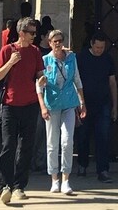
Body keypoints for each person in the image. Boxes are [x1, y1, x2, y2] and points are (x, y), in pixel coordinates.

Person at [0, 17, 45, 205]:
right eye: (31, 33)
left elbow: (39, 73)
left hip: (30, 105)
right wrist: (11, 63)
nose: (34, 36)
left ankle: (19, 186)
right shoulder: (7, 50)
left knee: (25, 147)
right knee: (8, 146)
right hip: (10, 105)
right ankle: (3, 186)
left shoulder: (36, 51)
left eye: (35, 33)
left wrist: (42, 79)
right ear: (21, 33)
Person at [37, 29, 86, 195]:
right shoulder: (45, 60)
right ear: (49, 43)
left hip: (69, 104)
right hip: (52, 104)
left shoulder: (71, 58)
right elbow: (39, 86)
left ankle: (66, 179)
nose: (57, 44)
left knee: (67, 141)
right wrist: (43, 106)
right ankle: (54, 179)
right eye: (54, 41)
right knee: (52, 143)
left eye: (60, 40)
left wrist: (82, 102)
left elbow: (77, 79)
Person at [74, 31, 118, 182]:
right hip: (84, 103)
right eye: (98, 47)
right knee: (83, 136)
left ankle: (103, 170)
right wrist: (78, 104)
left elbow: (112, 82)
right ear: (92, 44)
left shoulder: (107, 59)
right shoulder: (81, 58)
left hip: (103, 103)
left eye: (102, 47)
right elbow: (75, 81)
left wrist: (115, 106)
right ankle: (82, 164)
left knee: (103, 137)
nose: (100, 50)